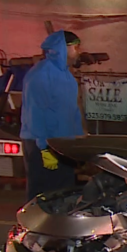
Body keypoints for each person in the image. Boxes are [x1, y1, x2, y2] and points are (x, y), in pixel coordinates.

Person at [20, 31, 84, 201]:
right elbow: (35, 113)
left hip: (62, 144)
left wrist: (78, 141)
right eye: (75, 47)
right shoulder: (40, 75)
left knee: (63, 195)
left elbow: (72, 111)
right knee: (41, 196)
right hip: (41, 144)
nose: (79, 51)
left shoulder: (67, 77)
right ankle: (32, 227)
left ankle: (58, 227)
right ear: (62, 48)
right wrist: (44, 148)